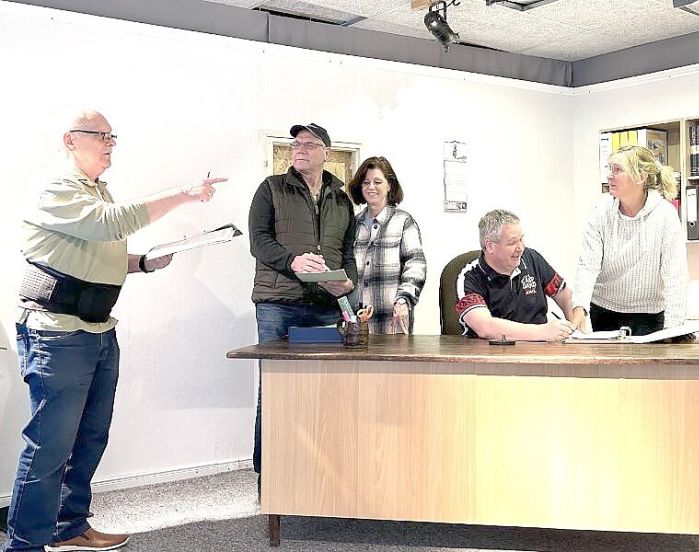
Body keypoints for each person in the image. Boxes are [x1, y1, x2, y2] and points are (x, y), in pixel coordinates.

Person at [4, 110, 224, 552]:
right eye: (99, 136)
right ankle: (25, 544)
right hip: (57, 334)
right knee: (49, 445)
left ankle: (69, 527)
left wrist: (141, 262)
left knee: (90, 435)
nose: (109, 143)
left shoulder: (98, 193)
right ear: (70, 139)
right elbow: (110, 224)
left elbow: (94, 250)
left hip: (98, 331)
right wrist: (182, 194)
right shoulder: (57, 190)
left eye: (112, 136)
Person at [247, 123, 357, 479]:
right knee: (278, 388)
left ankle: (315, 472)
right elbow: (258, 242)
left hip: (325, 308)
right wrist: (291, 262)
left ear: (327, 152)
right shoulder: (271, 189)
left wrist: (347, 283)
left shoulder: (342, 200)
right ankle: (271, 474)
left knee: (321, 389)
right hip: (278, 304)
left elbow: (348, 252)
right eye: (296, 144)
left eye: (310, 144)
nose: (300, 149)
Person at [569, 145, 687, 335]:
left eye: (618, 170)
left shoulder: (665, 215)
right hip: (604, 310)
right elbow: (587, 266)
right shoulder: (601, 211)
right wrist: (579, 307)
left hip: (649, 314)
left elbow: (675, 276)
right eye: (610, 169)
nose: (610, 176)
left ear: (641, 177)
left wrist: (673, 329)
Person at [454, 209, 576, 341]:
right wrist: (544, 332)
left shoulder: (531, 258)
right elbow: (485, 327)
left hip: (539, 352)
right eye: (512, 243)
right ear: (489, 246)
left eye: (521, 239)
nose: (520, 248)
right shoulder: (470, 277)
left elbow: (563, 294)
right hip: (492, 355)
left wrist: (574, 329)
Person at [346, 156, 426, 334]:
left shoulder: (404, 221)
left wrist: (404, 300)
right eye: (365, 182)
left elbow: (416, 265)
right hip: (357, 324)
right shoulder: (353, 224)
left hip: (393, 321)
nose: (371, 187)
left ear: (389, 185)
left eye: (377, 181)